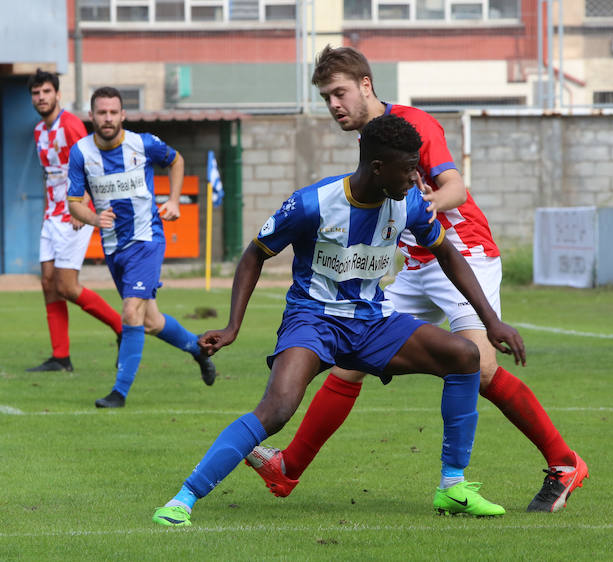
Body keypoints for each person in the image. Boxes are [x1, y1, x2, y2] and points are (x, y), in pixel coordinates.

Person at [243, 45, 588, 514]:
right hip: (413, 263)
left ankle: (564, 462)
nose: (334, 105)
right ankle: (289, 468)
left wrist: (430, 206)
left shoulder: (416, 125)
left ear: (367, 84)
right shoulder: (375, 139)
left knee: (479, 368)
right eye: (326, 97)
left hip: (460, 252)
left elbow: (455, 187)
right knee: (351, 359)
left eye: (340, 92)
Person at [151, 114, 526, 527]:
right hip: (313, 319)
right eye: (408, 169)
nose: (417, 177)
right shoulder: (312, 203)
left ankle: (453, 486)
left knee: (465, 356)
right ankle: (183, 499)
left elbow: (448, 253)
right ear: (379, 168)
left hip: (373, 322)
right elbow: (255, 253)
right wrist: (232, 326)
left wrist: (491, 321)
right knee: (277, 409)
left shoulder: (410, 203)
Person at [67, 87, 217, 408]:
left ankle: (119, 393)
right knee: (150, 320)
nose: (107, 118)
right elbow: (74, 204)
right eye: (101, 112)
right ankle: (198, 349)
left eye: (113, 112)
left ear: (123, 115)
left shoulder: (143, 143)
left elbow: (176, 160)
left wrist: (174, 200)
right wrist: (94, 218)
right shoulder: (80, 153)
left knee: (130, 311)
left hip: (147, 239)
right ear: (91, 116)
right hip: (113, 247)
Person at [26, 69, 122, 372]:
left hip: (74, 214)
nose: (41, 97)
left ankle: (123, 328)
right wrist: (46, 210)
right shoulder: (39, 131)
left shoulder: (70, 125)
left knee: (67, 286)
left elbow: (91, 165)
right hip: (51, 215)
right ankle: (61, 358)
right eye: (36, 93)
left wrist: (85, 208)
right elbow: (49, 174)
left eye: (46, 92)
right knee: (47, 283)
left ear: (57, 94)